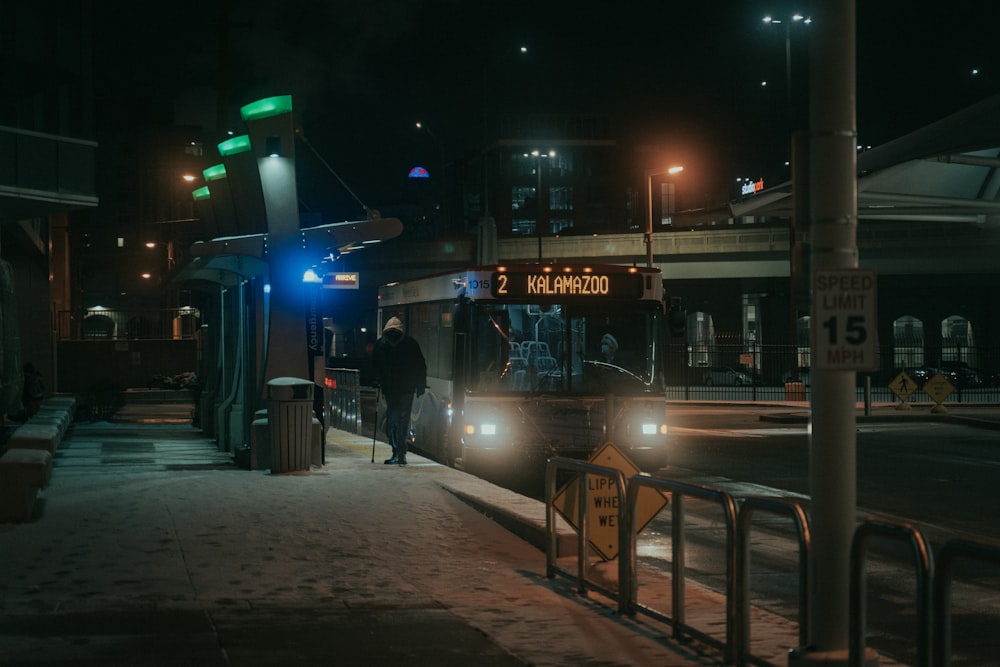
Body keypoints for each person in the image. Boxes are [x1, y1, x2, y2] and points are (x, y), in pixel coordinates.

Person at [372, 316, 427, 465]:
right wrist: (420, 386)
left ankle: (399, 452)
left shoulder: (381, 345)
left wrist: (376, 380)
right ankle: (399, 452)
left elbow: (374, 366)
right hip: (400, 389)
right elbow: (421, 366)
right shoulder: (410, 344)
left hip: (399, 389)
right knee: (400, 421)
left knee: (397, 420)